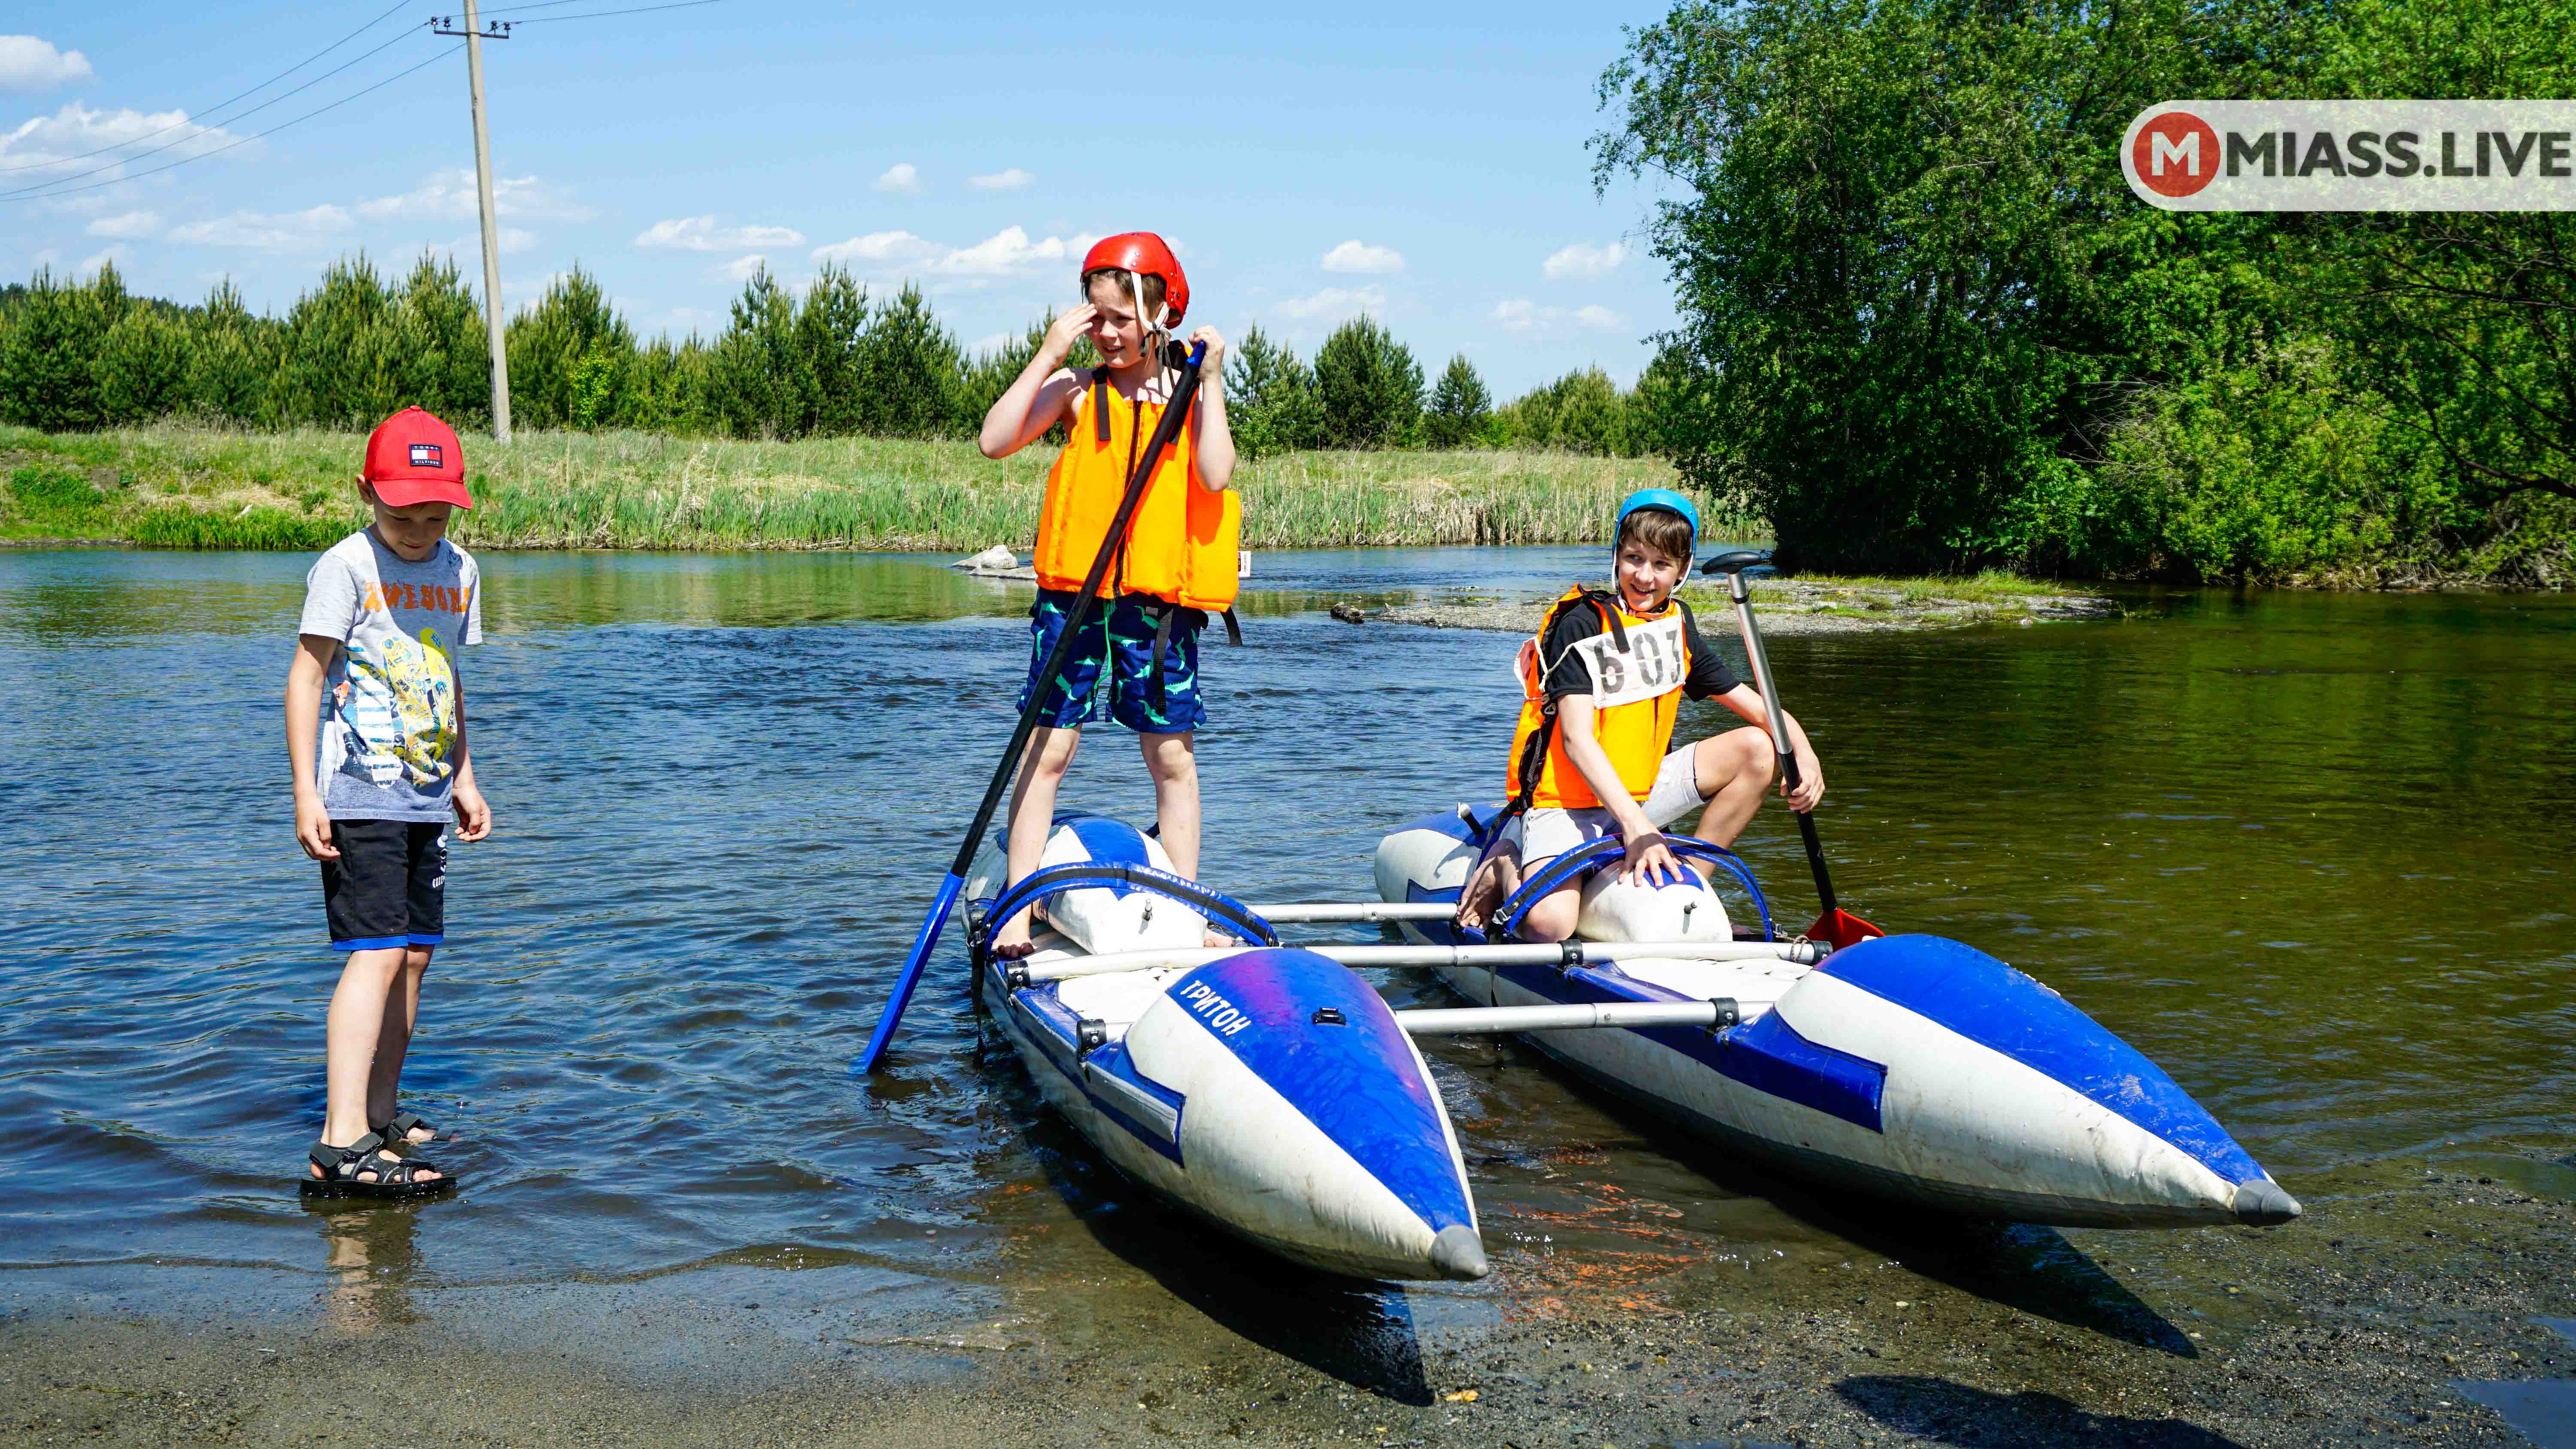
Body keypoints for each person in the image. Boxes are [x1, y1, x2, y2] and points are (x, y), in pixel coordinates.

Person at [975, 233, 1238, 958]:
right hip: (1074, 604)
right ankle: (1017, 912)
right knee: (1048, 749)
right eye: (1097, 316)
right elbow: (994, 440)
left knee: (1172, 757)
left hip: (1154, 610)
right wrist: (1050, 353)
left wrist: (1211, 381)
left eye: (1121, 317)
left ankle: (1185, 910)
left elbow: (1215, 475)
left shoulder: (1184, 397)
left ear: (1161, 315)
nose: (1108, 332)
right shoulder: (1075, 390)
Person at [1456, 489, 1826, 943]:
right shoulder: (1581, 623)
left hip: (1645, 788)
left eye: (1661, 564)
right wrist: (1638, 828)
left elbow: (1760, 709)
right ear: (1616, 556)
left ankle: (1691, 890)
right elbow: (1576, 740)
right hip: (1567, 801)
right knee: (1549, 925)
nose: (1644, 576)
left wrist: (1805, 754)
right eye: (1634, 558)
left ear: (1682, 571)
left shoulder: (1677, 626)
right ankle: (1506, 862)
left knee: (1759, 749)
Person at [285, 406, 492, 1196]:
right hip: (359, 791)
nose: (418, 530)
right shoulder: (346, 567)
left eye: (435, 514)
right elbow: (306, 678)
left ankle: (378, 1111)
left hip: (428, 795)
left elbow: (447, 679)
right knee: (372, 953)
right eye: (403, 514)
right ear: (367, 492)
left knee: (413, 956)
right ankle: (340, 1145)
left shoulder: (461, 570)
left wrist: (465, 777)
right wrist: (306, 790)